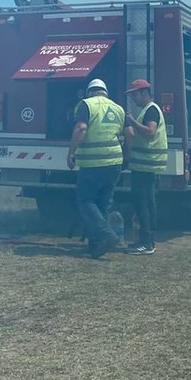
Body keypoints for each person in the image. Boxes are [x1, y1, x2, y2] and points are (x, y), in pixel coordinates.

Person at [66, 78, 125, 259]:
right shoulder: (118, 108)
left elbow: (82, 128)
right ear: (105, 92)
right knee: (103, 204)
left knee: (86, 201)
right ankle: (96, 244)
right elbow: (128, 133)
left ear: (89, 92)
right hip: (114, 163)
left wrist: (71, 151)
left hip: (93, 164)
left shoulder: (86, 105)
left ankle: (106, 235)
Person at [123, 78, 166, 255]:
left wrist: (132, 121)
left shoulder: (151, 111)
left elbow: (150, 132)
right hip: (145, 165)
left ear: (145, 93)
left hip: (146, 165)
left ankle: (146, 243)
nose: (133, 98)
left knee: (143, 204)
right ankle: (146, 241)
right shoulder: (148, 110)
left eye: (135, 95)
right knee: (146, 203)